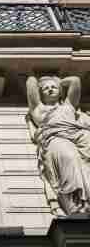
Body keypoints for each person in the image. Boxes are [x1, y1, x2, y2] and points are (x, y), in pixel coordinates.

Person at [26, 75, 90, 215]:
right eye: (46, 89)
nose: (50, 90)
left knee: (86, 169)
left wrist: (57, 82)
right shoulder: (38, 108)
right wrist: (40, 82)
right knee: (70, 158)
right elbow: (30, 83)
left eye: (53, 88)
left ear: (60, 91)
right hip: (56, 138)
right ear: (40, 92)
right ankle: (77, 203)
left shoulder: (69, 105)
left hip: (79, 137)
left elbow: (75, 81)